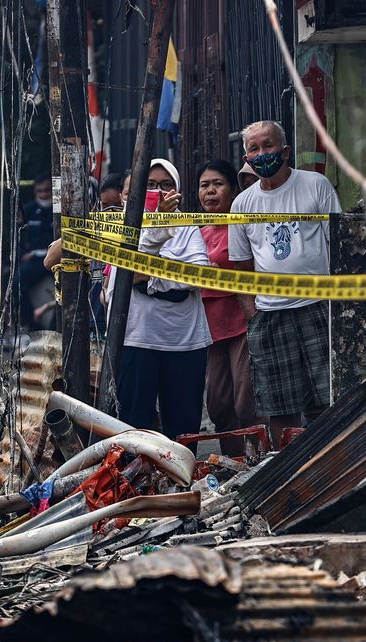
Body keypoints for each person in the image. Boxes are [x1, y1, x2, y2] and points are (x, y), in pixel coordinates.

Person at [229, 120, 341, 448]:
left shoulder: (315, 186)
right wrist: (253, 313)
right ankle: (287, 467)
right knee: (279, 404)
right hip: (269, 315)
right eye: (254, 149)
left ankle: (330, 459)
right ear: (246, 158)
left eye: (268, 146)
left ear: (286, 150)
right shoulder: (242, 205)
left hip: (317, 308)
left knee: (326, 396)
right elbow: (241, 266)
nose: (262, 154)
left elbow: (336, 245)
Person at [106, 159, 211, 442]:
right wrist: (170, 271)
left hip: (185, 341)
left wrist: (151, 279)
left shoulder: (187, 227)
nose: (159, 191)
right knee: (132, 427)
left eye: (166, 185)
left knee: (184, 429)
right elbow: (131, 271)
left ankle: (180, 484)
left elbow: (200, 275)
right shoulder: (119, 227)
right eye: (150, 185)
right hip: (135, 339)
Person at [196, 159, 262, 453]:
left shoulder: (241, 225)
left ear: (233, 191)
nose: (210, 191)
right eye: (204, 185)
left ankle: (259, 456)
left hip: (240, 319)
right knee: (219, 403)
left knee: (245, 399)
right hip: (208, 325)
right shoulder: (194, 229)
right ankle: (232, 462)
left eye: (217, 184)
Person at [18, 176, 56, 329]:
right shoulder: (29, 209)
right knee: (16, 283)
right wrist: (23, 253)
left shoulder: (59, 208)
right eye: (40, 191)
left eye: (47, 190)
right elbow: (19, 235)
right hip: (35, 258)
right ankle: (31, 321)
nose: (44, 194)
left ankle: (55, 327)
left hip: (56, 259)